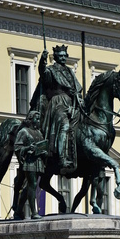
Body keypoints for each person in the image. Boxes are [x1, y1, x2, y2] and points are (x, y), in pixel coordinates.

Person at [37, 45, 83, 174]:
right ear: (56, 57)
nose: (63, 58)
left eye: (64, 55)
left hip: (72, 104)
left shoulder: (69, 72)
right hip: (58, 104)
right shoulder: (51, 70)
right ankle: (62, 158)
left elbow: (77, 89)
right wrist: (43, 60)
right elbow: (43, 73)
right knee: (65, 126)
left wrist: (77, 100)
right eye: (60, 56)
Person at [13, 111, 48, 220]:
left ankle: (18, 210)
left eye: (39, 119)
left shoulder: (39, 133)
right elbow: (17, 148)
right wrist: (28, 148)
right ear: (30, 119)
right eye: (36, 119)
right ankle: (34, 212)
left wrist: (44, 152)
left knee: (29, 187)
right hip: (29, 162)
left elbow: (43, 146)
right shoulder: (23, 132)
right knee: (32, 184)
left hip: (38, 161)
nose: (38, 121)